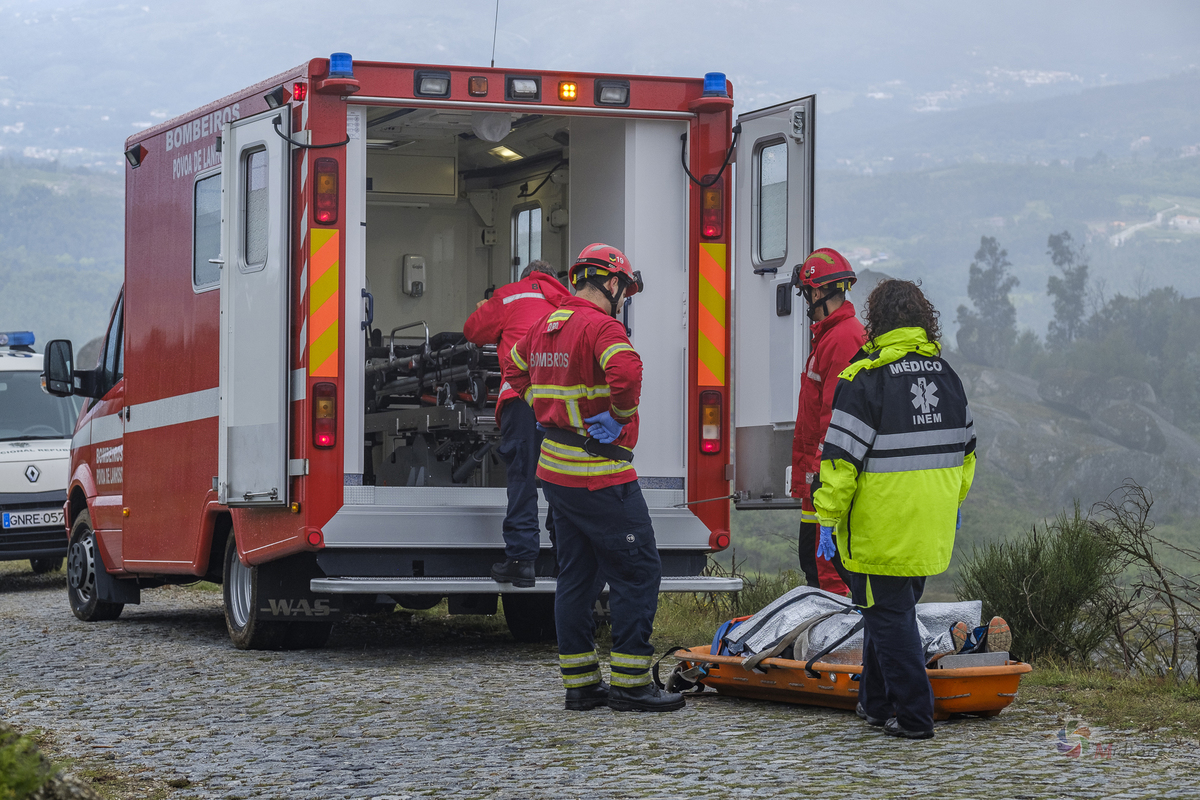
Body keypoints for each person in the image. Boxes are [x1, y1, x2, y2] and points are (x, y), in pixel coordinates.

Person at [505, 242, 685, 713]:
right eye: (623, 288)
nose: (623, 297)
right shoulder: (601, 326)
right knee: (638, 572)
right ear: (611, 283)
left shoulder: (547, 323)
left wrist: (541, 406)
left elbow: (512, 366)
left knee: (577, 579)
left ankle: (582, 685)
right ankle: (630, 685)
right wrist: (620, 416)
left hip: (557, 473)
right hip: (600, 473)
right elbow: (627, 369)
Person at [812, 279, 976, 740]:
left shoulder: (864, 378)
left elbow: (840, 464)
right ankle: (876, 702)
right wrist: (952, 503)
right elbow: (966, 456)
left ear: (876, 322)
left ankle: (915, 716)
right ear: (924, 319)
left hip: (878, 529)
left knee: (889, 618)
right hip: (929, 527)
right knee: (884, 612)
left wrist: (827, 518)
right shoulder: (948, 377)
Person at [464, 260, 570, 588]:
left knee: (523, 475)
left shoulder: (510, 296)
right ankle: (565, 558)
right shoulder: (568, 303)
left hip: (523, 400)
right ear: (554, 280)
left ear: (526, 277)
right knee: (564, 479)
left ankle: (522, 560)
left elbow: (473, 331)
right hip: (566, 405)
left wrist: (485, 306)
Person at [789, 249, 866, 596]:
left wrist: (823, 475)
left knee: (829, 577)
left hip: (826, 479)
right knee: (813, 564)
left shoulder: (842, 338)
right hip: (817, 480)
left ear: (817, 292)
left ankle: (838, 649)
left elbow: (837, 418)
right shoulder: (831, 337)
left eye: (807, 293)